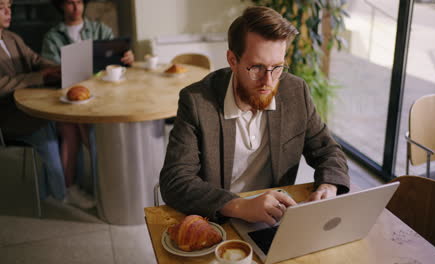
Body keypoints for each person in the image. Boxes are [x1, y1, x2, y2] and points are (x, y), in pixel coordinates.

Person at [160, 6, 350, 226]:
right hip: (220, 218)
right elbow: (175, 181)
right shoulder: (197, 101)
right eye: (257, 68)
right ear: (232, 60)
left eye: (277, 67)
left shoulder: (295, 91)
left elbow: (328, 150)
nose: (268, 82)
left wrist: (329, 186)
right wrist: (239, 205)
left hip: (276, 218)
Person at [40, 0, 135, 209]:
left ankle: (106, 183)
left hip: (102, 97)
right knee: (71, 128)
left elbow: (118, 61)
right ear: (61, 6)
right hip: (67, 98)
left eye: (79, 2)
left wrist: (127, 58)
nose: (76, 8)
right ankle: (72, 188)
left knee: (91, 131)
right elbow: (48, 71)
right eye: (70, 3)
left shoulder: (100, 29)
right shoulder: (52, 37)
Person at [0, 0, 66, 201]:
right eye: (1, 7)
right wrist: (40, 77)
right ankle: (61, 195)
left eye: (9, 7)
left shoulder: (11, 37)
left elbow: (36, 60)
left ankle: (55, 186)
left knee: (66, 122)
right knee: (47, 130)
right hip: (6, 114)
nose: (8, 12)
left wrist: (57, 68)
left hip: (26, 106)